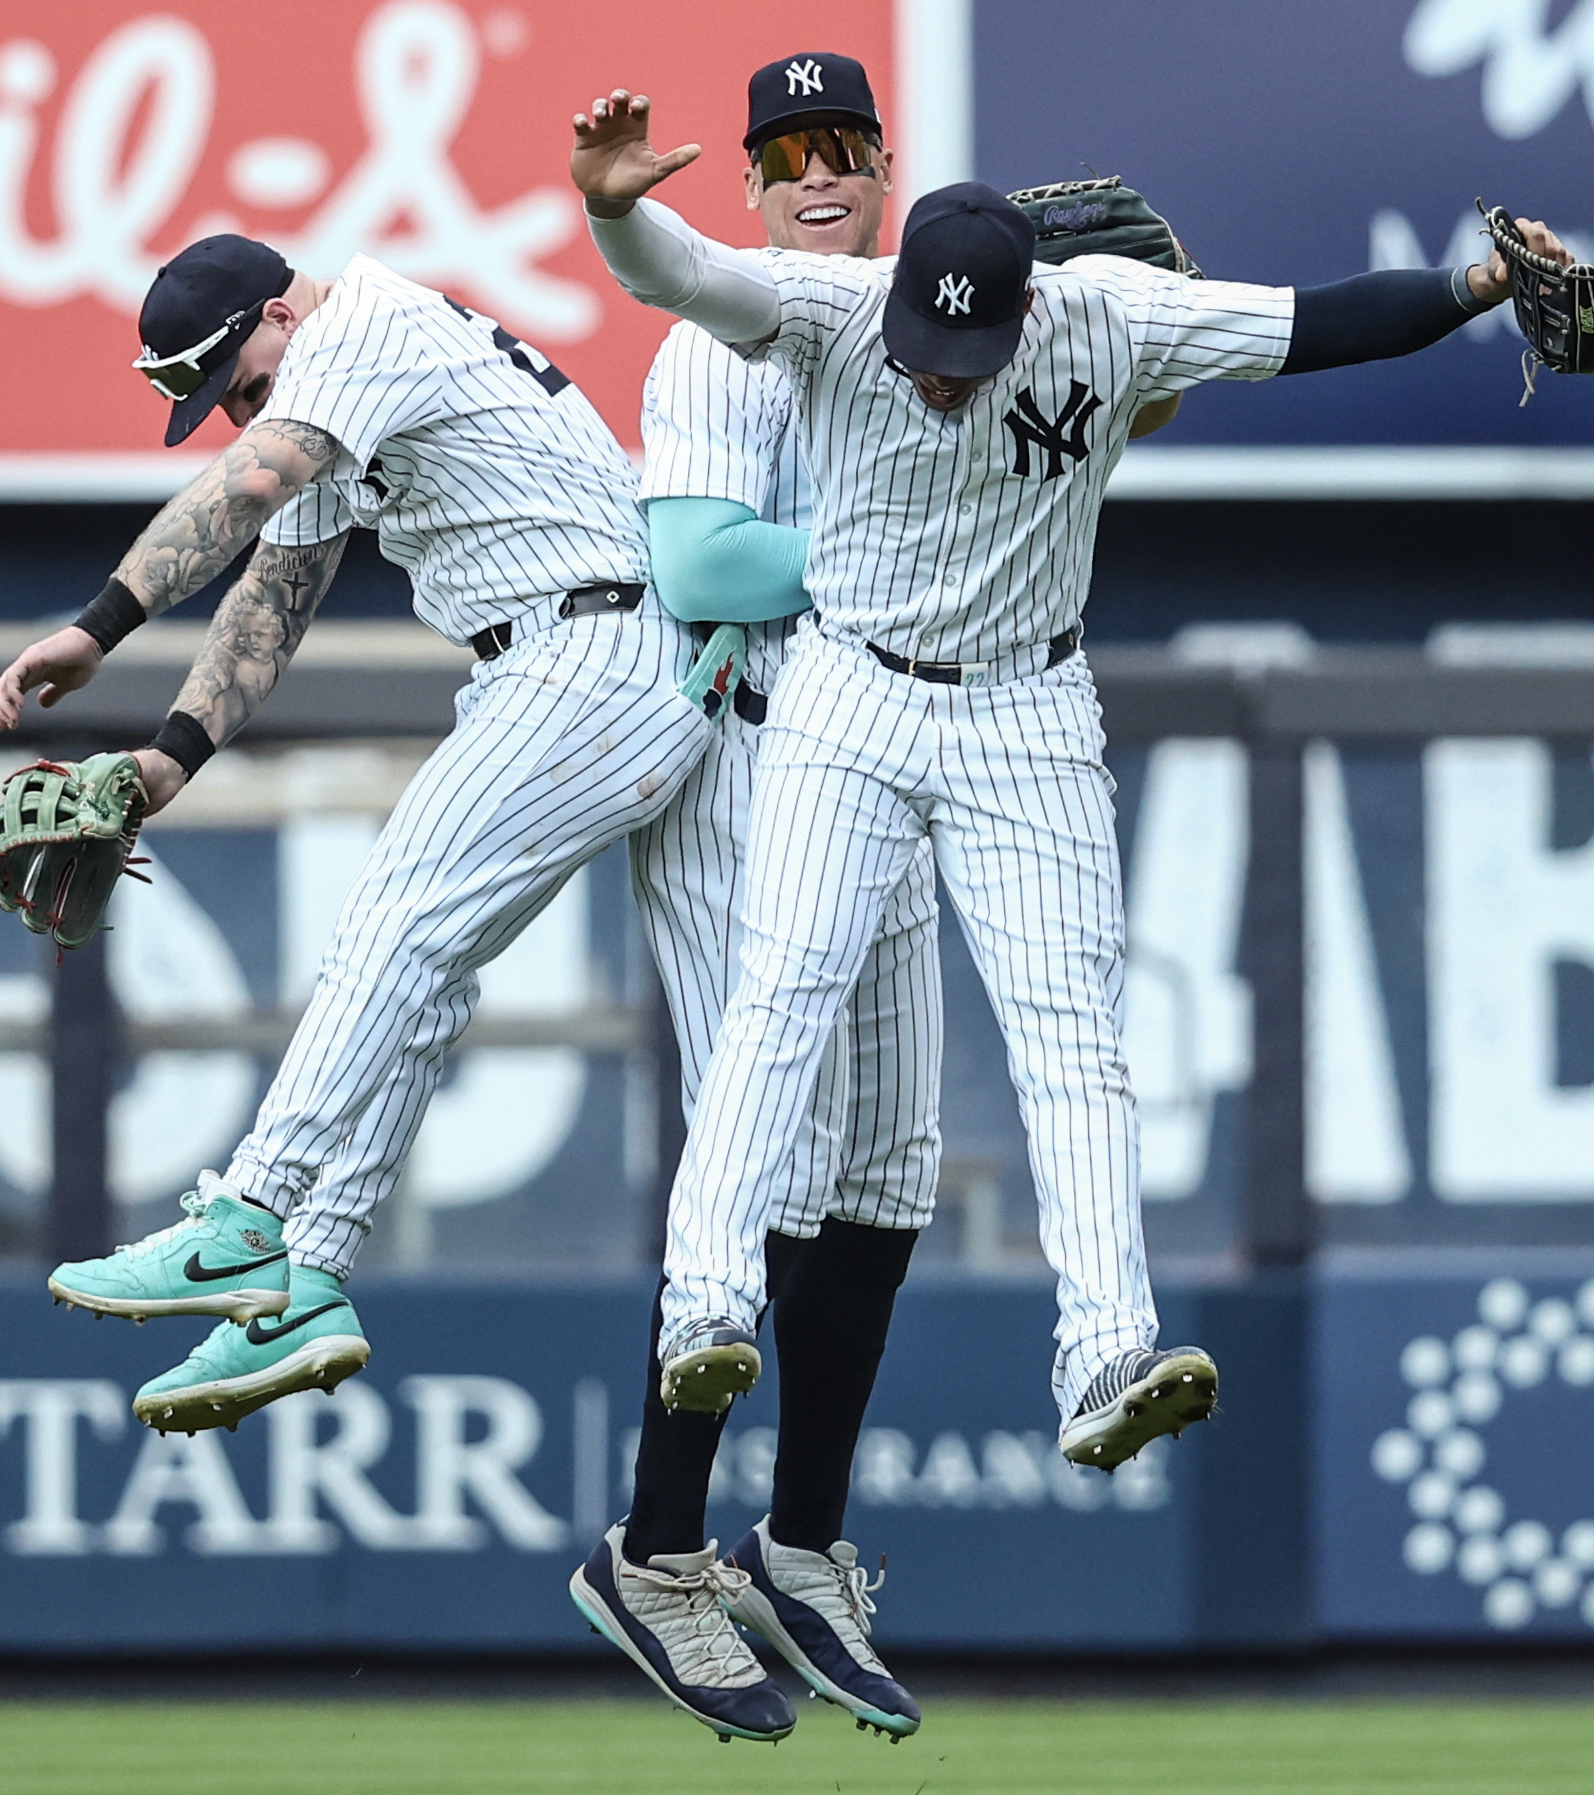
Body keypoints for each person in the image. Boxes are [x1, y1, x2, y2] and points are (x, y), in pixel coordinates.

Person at [566, 87, 1569, 1472]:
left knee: (1072, 1041)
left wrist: (1480, 285)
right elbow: (680, 269)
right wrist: (615, 204)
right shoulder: (834, 312)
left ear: (1028, 307)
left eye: (963, 348)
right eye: (922, 338)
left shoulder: (1105, 311)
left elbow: (1322, 323)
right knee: (778, 994)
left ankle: (1106, 1348)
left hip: (1027, 707)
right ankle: (705, 1308)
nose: (937, 368)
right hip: (850, 693)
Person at [0, 232, 713, 1431]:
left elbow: (249, 489)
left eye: (242, 387)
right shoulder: (321, 384)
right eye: (221, 406)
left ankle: (251, 1214)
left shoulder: (362, 329)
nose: (241, 419)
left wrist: (99, 625)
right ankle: (307, 1284)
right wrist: (169, 755)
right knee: (418, 971)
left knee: (393, 924)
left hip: (594, 650)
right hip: (573, 660)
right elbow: (275, 593)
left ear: (282, 312)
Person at [568, 52, 939, 1746]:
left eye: (838, 146)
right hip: (744, 757)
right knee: (760, 1150)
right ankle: (655, 1553)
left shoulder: (948, 330)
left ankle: (798, 1543)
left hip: (901, 760)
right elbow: (707, 564)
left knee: (886, 1170)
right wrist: (905, 536)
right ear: (747, 189)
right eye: (782, 150)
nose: (811, 172)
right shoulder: (721, 333)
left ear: (882, 164)